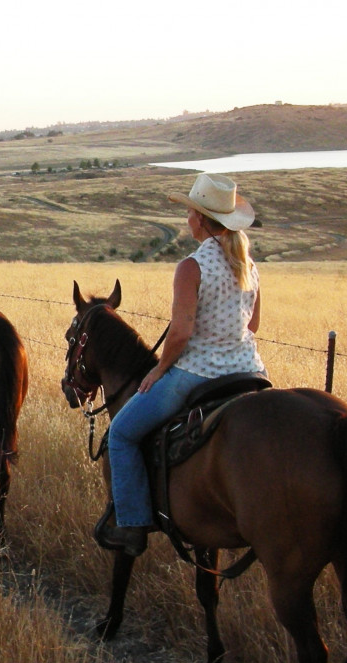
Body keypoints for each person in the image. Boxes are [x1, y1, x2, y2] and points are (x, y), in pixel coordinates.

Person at [99, 172, 266, 556]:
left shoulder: (191, 266)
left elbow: (181, 335)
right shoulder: (248, 264)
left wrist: (158, 371)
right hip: (250, 372)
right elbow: (252, 324)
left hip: (198, 374)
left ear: (202, 219)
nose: (187, 219)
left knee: (121, 435)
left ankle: (133, 525)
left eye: (190, 212)